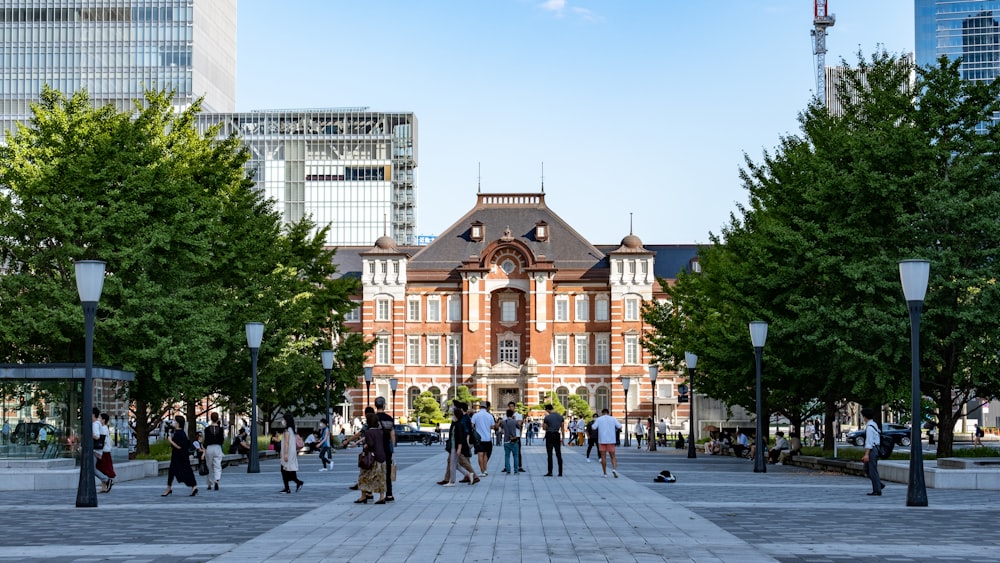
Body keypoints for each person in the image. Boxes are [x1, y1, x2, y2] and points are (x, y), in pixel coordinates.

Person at [355, 412, 388, 503]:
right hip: (381, 456)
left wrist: (366, 445)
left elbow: (370, 444)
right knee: (380, 478)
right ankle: (382, 497)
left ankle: (363, 496)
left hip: (371, 458)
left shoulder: (369, 432)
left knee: (364, 476)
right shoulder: (380, 431)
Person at [162, 415, 198, 497]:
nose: (174, 423)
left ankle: (168, 488)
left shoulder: (178, 434)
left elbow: (178, 446)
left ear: (178, 423)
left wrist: (170, 441)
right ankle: (193, 486)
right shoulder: (182, 433)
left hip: (177, 456)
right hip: (183, 456)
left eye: (175, 421)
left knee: (172, 471)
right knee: (186, 470)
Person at [374, 397, 396, 502]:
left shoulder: (373, 418)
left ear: (375, 405)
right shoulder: (389, 418)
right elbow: (392, 434)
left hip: (376, 447)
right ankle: (389, 494)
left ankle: (375, 493)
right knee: (387, 470)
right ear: (384, 405)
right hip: (386, 447)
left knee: (376, 470)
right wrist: (393, 445)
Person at [591, 408, 623, 478]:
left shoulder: (599, 419)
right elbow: (620, 426)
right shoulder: (613, 419)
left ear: (602, 413)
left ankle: (605, 473)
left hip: (602, 440)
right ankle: (614, 469)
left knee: (603, 457)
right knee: (613, 456)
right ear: (608, 413)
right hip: (611, 440)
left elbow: (593, 427)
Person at [861, 408, 884, 496]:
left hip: (872, 450)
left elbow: (869, 442)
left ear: (865, 417)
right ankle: (878, 484)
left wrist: (866, 454)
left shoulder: (870, 427)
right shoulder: (874, 424)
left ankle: (877, 490)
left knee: (872, 470)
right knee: (867, 469)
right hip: (875, 448)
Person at [279, 413, 304, 493]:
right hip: (292, 452)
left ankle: (292, 485)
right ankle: (292, 485)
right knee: (289, 470)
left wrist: (285, 454)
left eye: (283, 419)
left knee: (284, 470)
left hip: (288, 452)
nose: (282, 421)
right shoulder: (292, 429)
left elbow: (286, 442)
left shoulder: (287, 430)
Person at [471, 400, 494, 476]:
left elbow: (472, 425)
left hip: (478, 438)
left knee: (480, 454)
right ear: (486, 407)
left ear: (480, 407)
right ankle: (485, 469)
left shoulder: (475, 415)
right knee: (486, 455)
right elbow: (492, 426)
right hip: (487, 438)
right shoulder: (489, 416)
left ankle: (482, 470)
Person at [91, 408, 112, 493]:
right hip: (97, 450)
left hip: (95, 450)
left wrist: (89, 433)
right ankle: (105, 482)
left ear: (93, 415)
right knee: (93, 468)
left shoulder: (95, 424)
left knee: (91, 468)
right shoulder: (98, 424)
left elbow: (97, 436)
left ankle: (106, 480)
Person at [203, 412, 225, 490]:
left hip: (209, 448)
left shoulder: (207, 429)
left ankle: (209, 483)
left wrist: (204, 451)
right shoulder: (221, 429)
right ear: (218, 418)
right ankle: (217, 480)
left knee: (209, 466)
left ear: (210, 418)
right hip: (217, 447)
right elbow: (222, 440)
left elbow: (205, 441)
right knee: (217, 465)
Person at [542, 404, 564, 477]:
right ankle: (560, 472)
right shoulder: (560, 417)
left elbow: (544, 428)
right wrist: (563, 438)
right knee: (558, 454)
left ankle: (550, 471)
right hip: (557, 434)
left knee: (549, 454)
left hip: (549, 435)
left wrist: (547, 425)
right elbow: (562, 428)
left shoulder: (547, 417)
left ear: (548, 409)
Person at [498, 409, 520, 474]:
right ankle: (516, 470)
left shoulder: (503, 422)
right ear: (512, 414)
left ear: (506, 414)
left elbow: (500, 430)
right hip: (514, 440)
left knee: (507, 456)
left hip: (506, 440)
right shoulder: (515, 421)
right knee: (515, 456)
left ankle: (508, 470)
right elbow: (519, 427)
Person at [97, 413, 116, 485]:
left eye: (100, 418)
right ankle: (104, 485)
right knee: (103, 468)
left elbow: (103, 441)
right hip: (105, 451)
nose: (99, 419)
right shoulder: (105, 428)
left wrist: (99, 451)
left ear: (103, 420)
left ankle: (106, 482)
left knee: (103, 468)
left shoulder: (103, 429)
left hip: (104, 451)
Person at [507, 401, 525, 472]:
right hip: (508, 436)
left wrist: (512, 420)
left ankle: (519, 466)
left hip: (516, 435)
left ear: (514, 407)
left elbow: (519, 425)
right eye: (510, 406)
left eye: (512, 406)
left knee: (518, 452)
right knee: (507, 453)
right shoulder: (506, 415)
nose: (511, 408)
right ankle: (507, 466)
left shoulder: (519, 415)